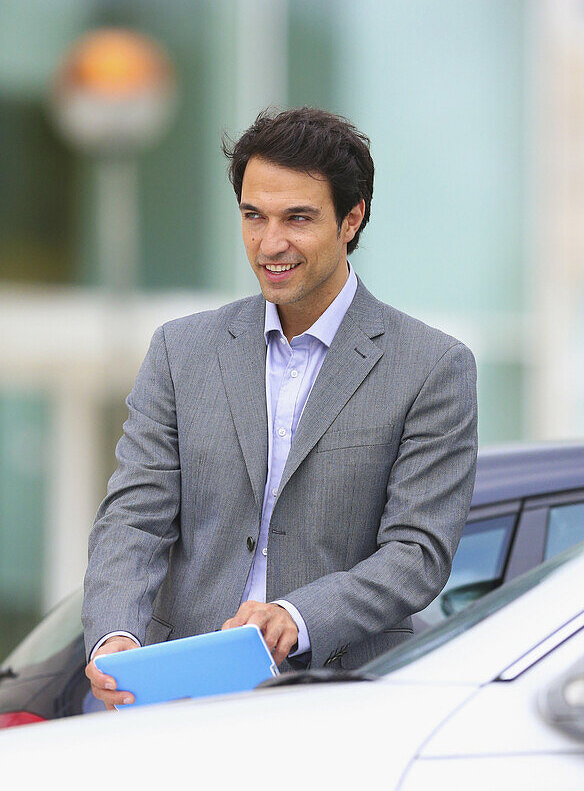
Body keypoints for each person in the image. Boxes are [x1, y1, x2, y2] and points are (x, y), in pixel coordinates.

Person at [83, 107, 478, 709]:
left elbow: (417, 554)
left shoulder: (431, 367)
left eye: (298, 218)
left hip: (341, 699)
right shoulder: (180, 350)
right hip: (183, 693)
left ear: (352, 218)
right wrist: (115, 634)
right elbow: (134, 516)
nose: (271, 244)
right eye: (253, 216)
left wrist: (298, 615)